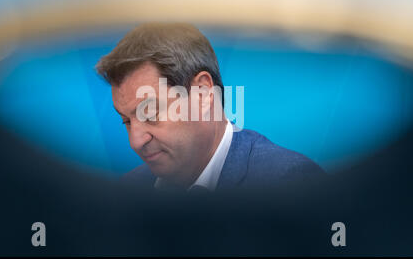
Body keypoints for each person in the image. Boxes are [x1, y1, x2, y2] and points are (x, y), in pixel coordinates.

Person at [95, 22, 325, 193]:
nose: (135, 141)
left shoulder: (289, 184)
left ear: (203, 93)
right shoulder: (128, 193)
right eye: (126, 121)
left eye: (149, 112)